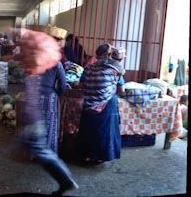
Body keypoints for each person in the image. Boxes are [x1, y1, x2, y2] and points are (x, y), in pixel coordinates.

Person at [17, 29, 79, 196]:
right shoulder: (56, 63)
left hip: (33, 103)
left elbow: (28, 85)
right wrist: (54, 95)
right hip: (49, 99)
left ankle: (64, 179)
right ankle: (59, 171)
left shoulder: (32, 62)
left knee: (36, 138)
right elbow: (64, 86)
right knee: (47, 129)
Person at [76, 43, 124, 164]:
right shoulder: (114, 70)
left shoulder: (87, 68)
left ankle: (85, 154)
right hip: (106, 105)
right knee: (106, 128)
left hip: (88, 104)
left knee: (88, 128)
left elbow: (81, 85)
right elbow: (121, 90)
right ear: (109, 55)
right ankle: (101, 156)